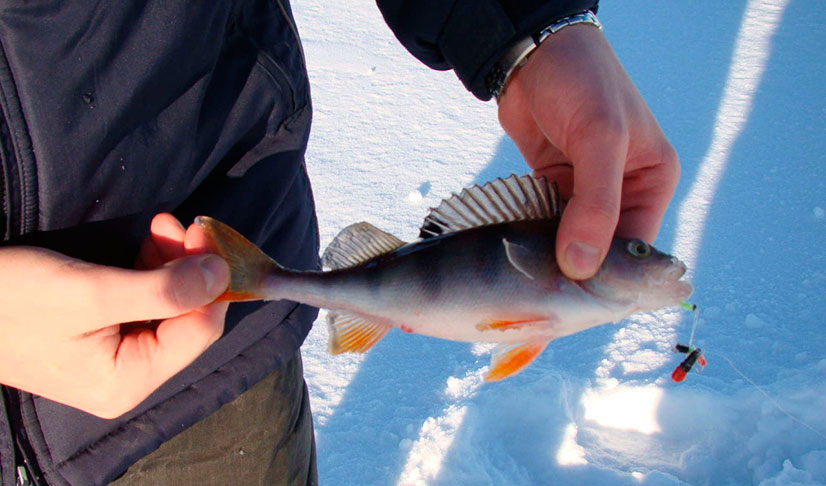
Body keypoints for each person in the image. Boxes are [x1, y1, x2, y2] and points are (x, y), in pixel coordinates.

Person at [0, 0, 679, 484]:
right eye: (643, 254)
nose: (654, 259)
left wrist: (522, 21)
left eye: (642, 253)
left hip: (208, 361)